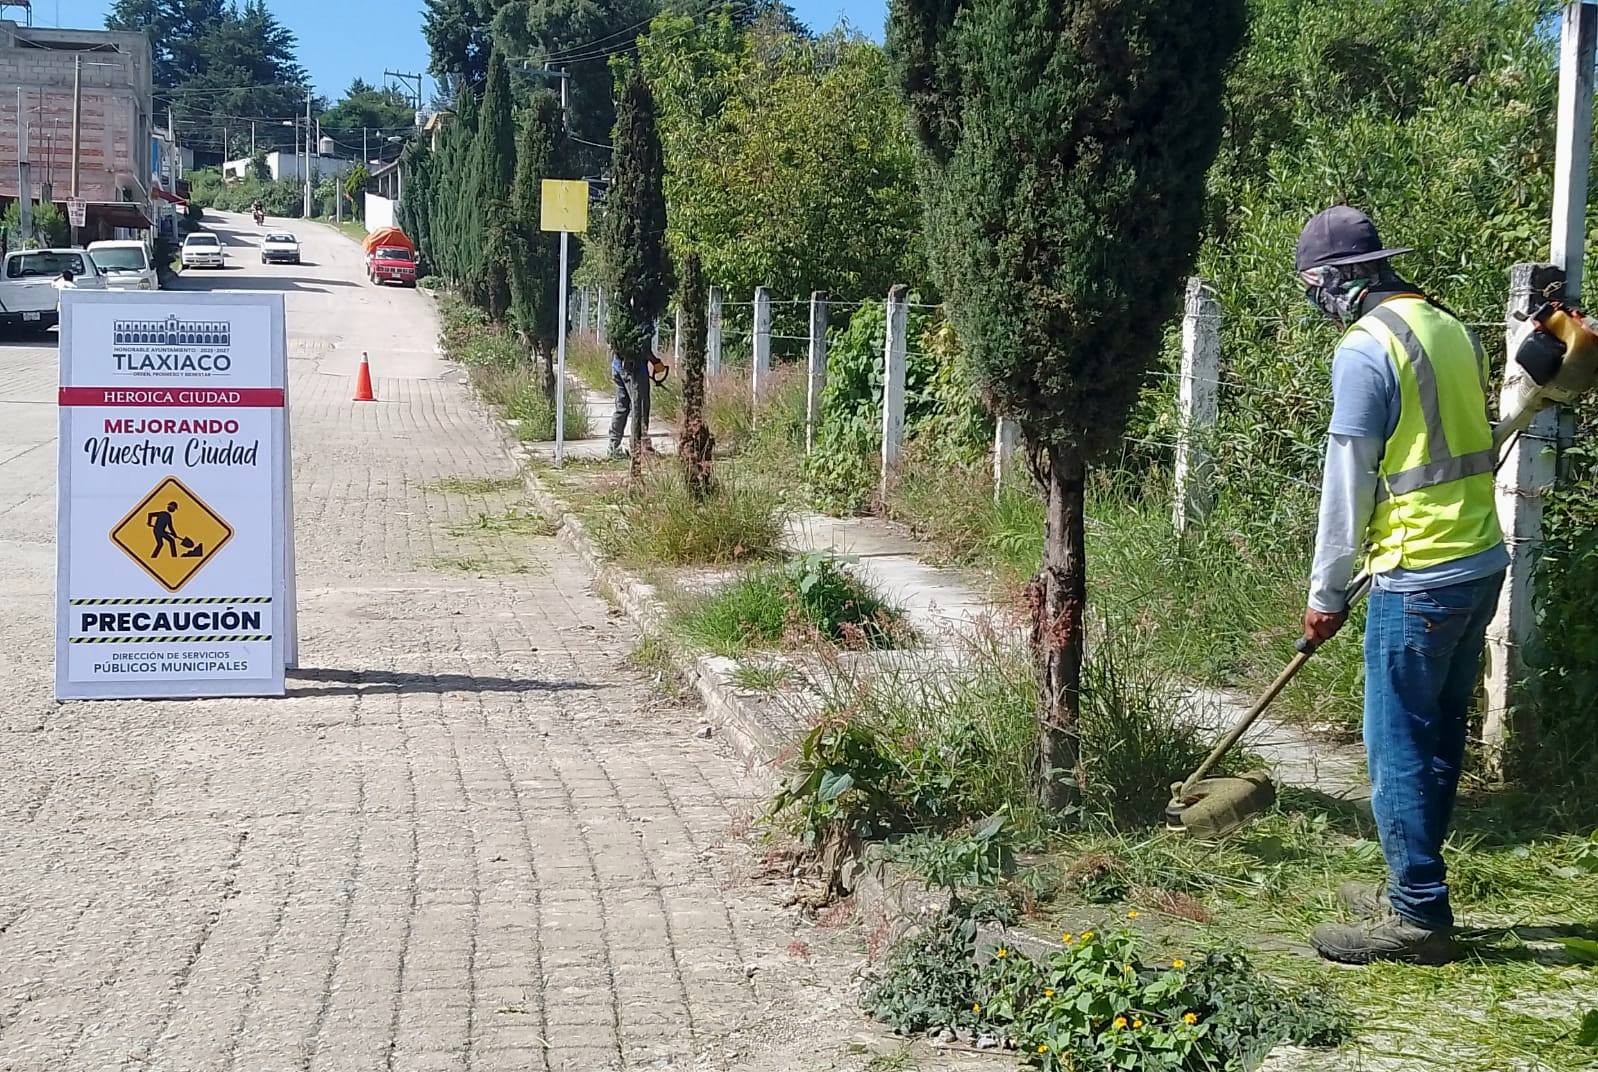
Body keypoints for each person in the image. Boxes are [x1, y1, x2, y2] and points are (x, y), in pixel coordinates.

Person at [1295, 206, 1508, 966]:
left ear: (1337, 279)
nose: (1314, 301)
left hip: (1418, 573)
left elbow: (1345, 482)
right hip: (1480, 559)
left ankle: (1418, 917)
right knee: (1438, 732)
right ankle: (1412, 882)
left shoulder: (1364, 348)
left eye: (1313, 286)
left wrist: (1326, 593)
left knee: (1396, 747)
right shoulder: (1448, 324)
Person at [606, 346, 666, 459]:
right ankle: (640, 448)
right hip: (635, 369)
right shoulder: (644, 327)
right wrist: (655, 361)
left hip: (618, 365)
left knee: (621, 408)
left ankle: (613, 448)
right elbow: (643, 347)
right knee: (640, 408)